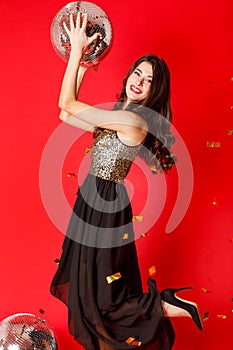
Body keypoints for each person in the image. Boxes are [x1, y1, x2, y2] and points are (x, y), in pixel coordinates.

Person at [50, 13, 203, 350]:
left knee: (101, 298)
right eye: (137, 72)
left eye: (147, 80)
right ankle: (164, 303)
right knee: (85, 289)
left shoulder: (132, 119)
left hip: (105, 205)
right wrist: (82, 68)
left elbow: (65, 103)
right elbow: (65, 114)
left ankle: (167, 305)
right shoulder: (119, 111)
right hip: (92, 198)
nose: (138, 81)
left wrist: (76, 51)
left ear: (154, 91)